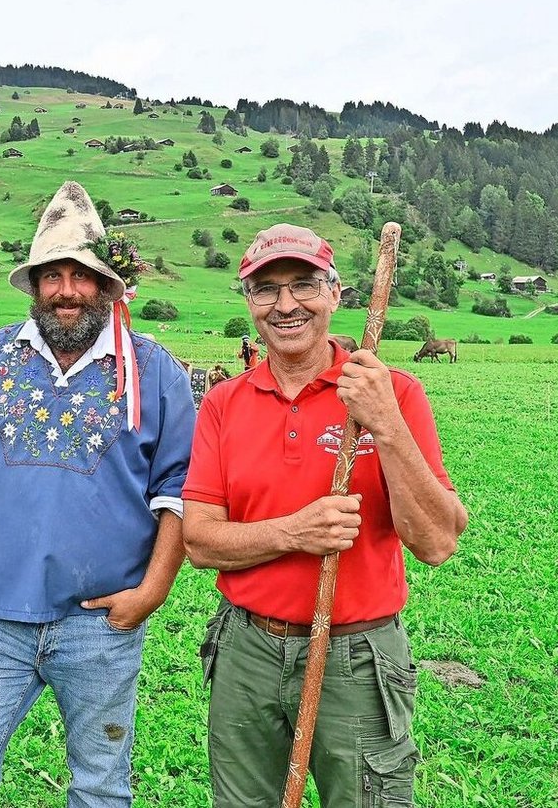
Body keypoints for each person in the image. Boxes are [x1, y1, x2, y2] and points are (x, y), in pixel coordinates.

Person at [0, 181, 195, 808]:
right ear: (34, 285)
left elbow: (178, 489)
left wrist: (152, 592)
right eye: (52, 276)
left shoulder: (153, 372)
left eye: (81, 275)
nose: (65, 290)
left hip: (101, 622)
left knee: (100, 787)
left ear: (107, 285)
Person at [181, 223, 468, 807]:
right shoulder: (223, 403)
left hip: (357, 656)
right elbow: (201, 542)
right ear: (250, 304)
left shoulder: (394, 393)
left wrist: (384, 422)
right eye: (266, 290)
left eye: (304, 284)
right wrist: (296, 532)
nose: (285, 305)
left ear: (335, 294)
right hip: (246, 651)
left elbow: (437, 542)